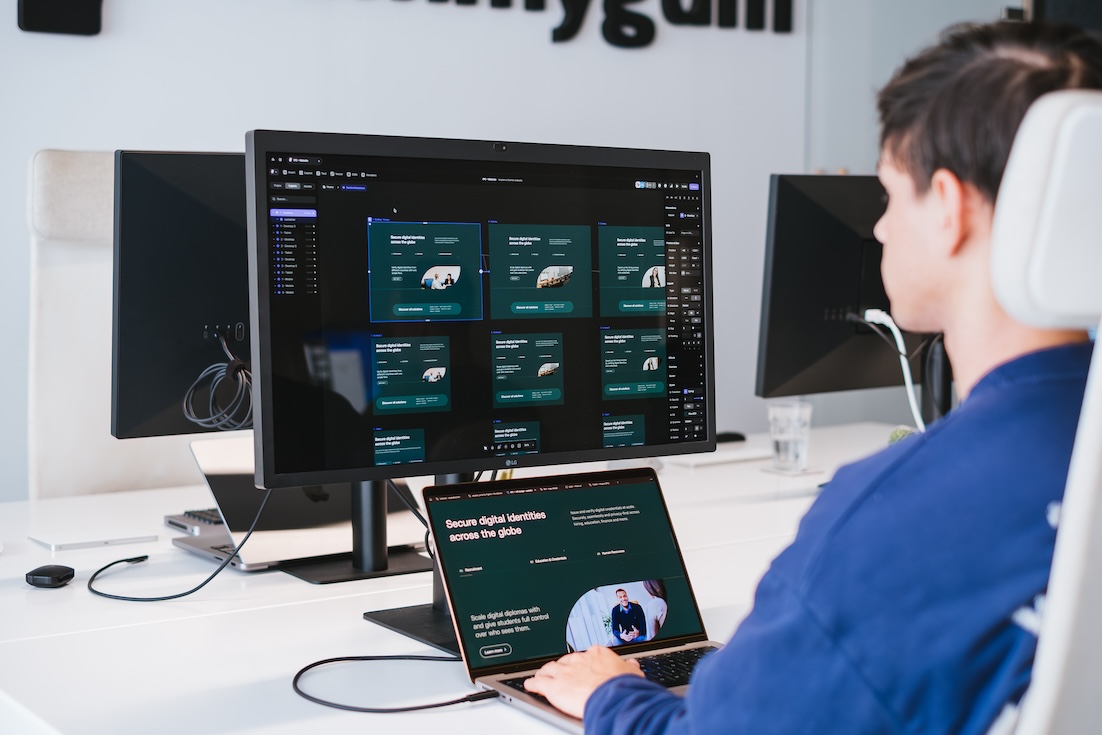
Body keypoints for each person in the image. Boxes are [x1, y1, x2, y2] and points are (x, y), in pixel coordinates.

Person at [525, 21, 1102, 734]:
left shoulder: (892, 520)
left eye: (889, 195)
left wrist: (612, 692)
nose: (881, 229)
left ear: (949, 207)